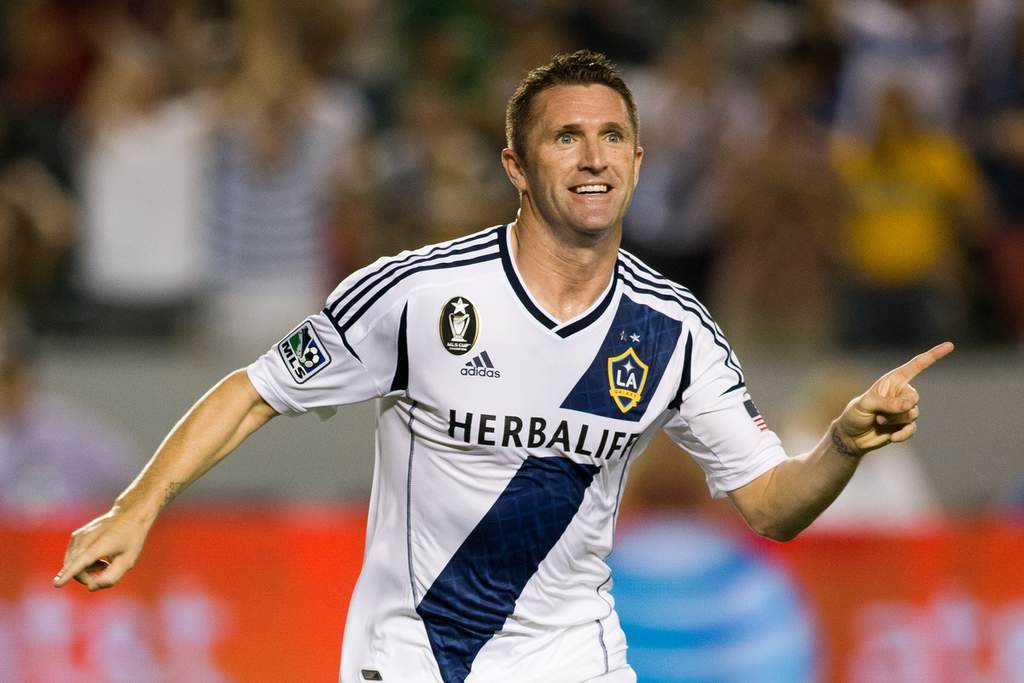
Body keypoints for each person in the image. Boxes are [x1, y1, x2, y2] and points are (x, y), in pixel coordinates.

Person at [54, 51, 953, 683]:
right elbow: (256, 390)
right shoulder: (416, 294)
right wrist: (138, 507)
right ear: (517, 165)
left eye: (613, 136)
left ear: (638, 161)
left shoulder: (672, 329)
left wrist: (842, 444)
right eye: (567, 138)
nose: (594, 157)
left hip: (574, 659)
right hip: (413, 657)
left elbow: (772, 505)